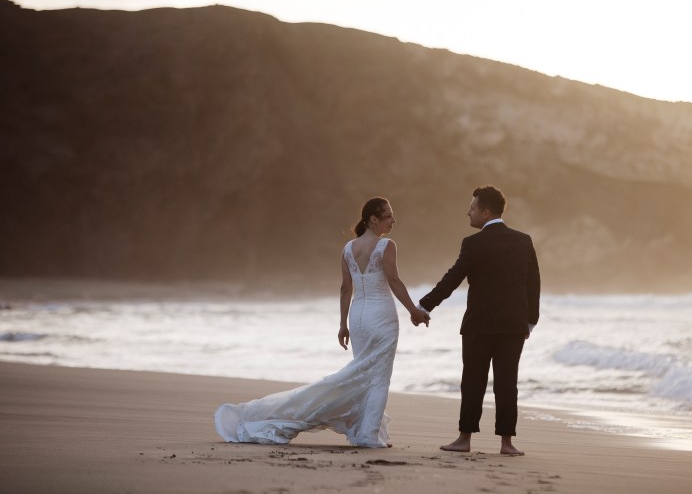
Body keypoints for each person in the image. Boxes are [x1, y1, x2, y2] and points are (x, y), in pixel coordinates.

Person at [215, 197, 430, 448]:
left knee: (363, 374)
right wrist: (414, 311)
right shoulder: (387, 246)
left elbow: (345, 289)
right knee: (378, 377)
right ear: (373, 219)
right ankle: (368, 435)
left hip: (358, 318)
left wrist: (343, 324)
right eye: (388, 216)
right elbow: (393, 280)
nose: (394, 220)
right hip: (381, 317)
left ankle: (369, 431)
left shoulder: (348, 248)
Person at [416, 186, 540, 455]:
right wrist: (530, 321)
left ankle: (464, 439)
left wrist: (425, 305)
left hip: (479, 325)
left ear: (485, 212)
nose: (468, 212)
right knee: (507, 383)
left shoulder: (473, 243)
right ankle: (507, 443)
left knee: (473, 381)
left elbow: (453, 278)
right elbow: (533, 284)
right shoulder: (523, 240)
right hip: (513, 325)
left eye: (472, 208)